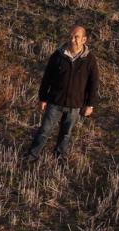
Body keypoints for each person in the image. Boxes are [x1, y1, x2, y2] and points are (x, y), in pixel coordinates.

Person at [24, 25, 99, 161]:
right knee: (44, 131)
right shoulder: (58, 55)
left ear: (84, 39)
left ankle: (59, 157)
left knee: (66, 134)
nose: (73, 39)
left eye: (76, 37)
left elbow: (93, 83)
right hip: (54, 102)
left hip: (75, 105)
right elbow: (47, 78)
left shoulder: (90, 60)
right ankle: (32, 155)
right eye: (71, 36)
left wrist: (90, 105)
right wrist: (43, 98)